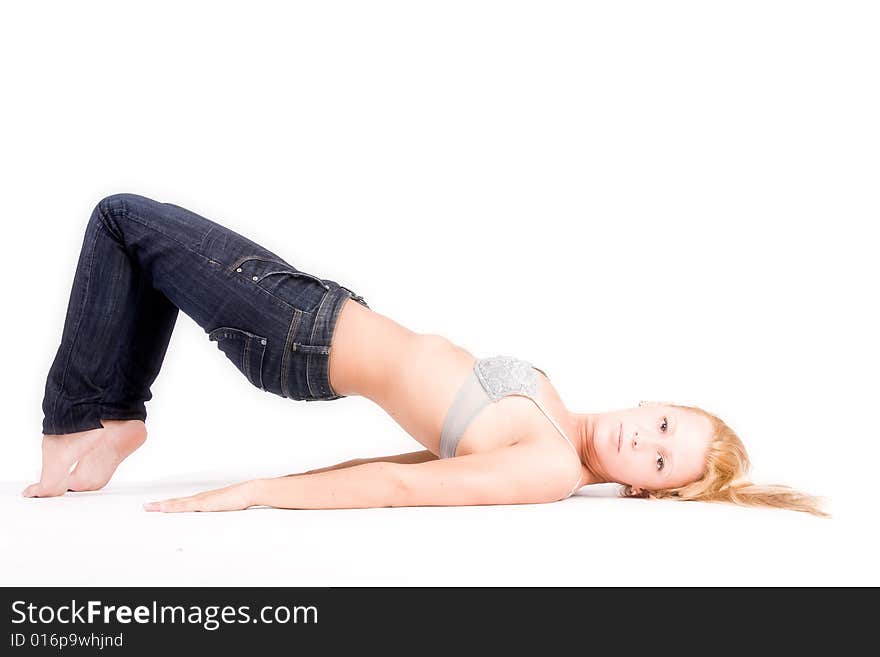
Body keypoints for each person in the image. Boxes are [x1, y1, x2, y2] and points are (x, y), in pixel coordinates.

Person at [24, 193, 829, 517]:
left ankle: (83, 422)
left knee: (120, 220)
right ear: (657, 396)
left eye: (660, 460)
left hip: (298, 335)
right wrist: (300, 479)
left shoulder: (550, 468)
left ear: (649, 491)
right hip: (323, 309)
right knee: (143, 252)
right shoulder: (560, 419)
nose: (643, 440)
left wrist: (255, 492)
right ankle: (113, 417)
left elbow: (404, 485)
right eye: (663, 423)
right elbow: (408, 451)